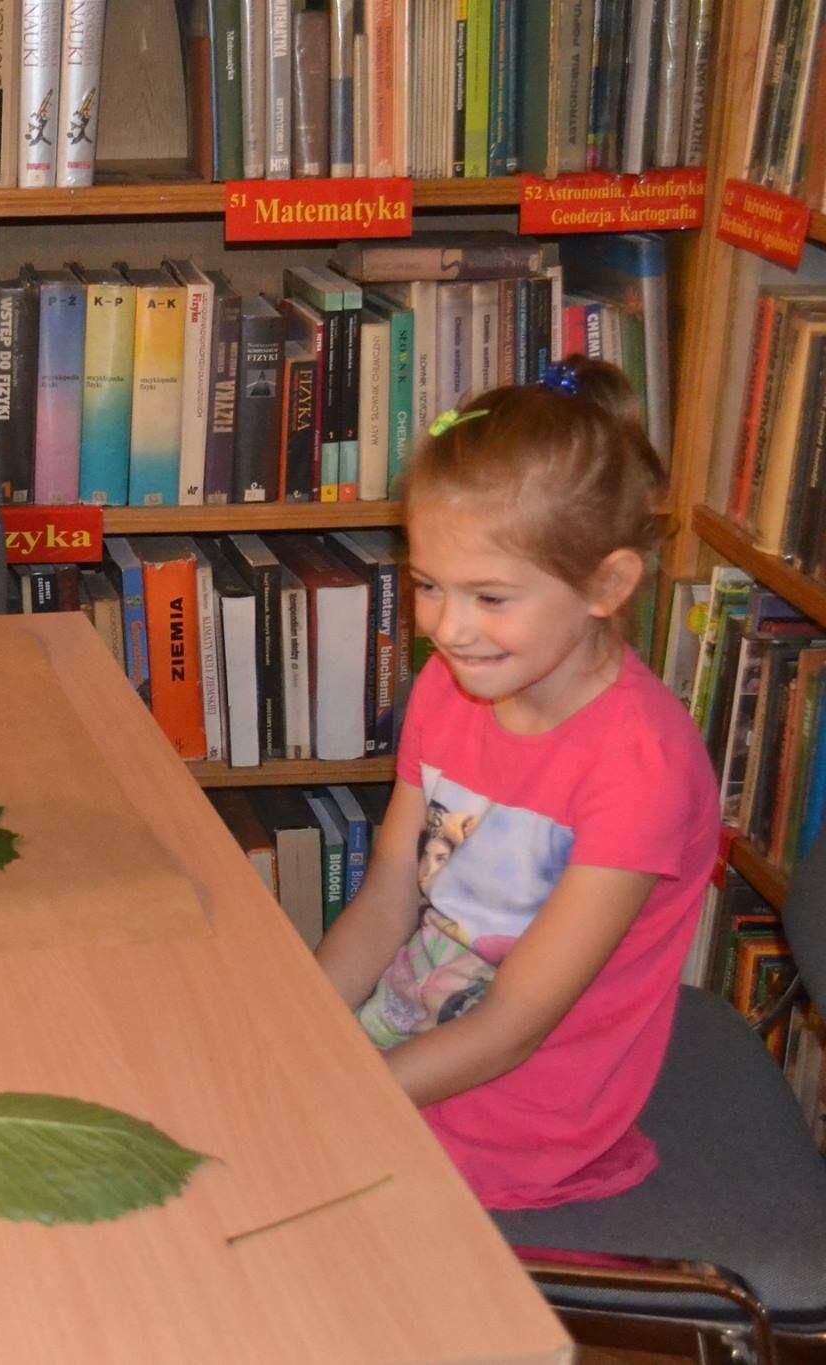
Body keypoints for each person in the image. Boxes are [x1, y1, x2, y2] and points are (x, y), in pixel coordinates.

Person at [315, 355, 719, 1210]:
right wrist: (304, 1028)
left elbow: (511, 1029)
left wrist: (342, 1093)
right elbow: (389, 894)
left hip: (524, 1104)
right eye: (428, 585)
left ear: (606, 585)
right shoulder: (449, 687)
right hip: (416, 1026)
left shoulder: (641, 767)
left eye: (491, 597)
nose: (448, 628)